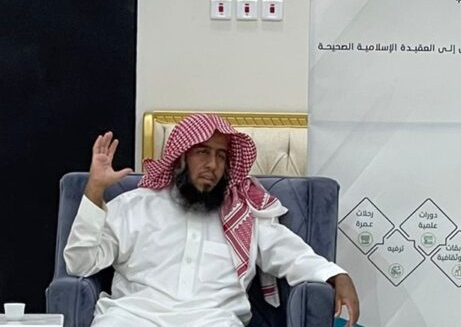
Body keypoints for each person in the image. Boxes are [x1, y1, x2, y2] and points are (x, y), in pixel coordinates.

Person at [64, 113, 359, 327]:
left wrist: (335, 275)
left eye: (221, 156)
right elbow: (80, 263)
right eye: (202, 152)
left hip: (212, 320)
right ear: (181, 157)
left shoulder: (243, 214)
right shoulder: (135, 206)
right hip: (134, 317)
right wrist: (95, 189)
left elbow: (290, 255)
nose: (212, 165)